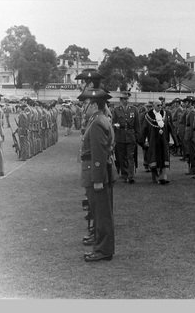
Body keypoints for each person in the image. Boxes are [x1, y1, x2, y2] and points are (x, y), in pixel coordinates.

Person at [79, 87, 117, 262]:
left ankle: (103, 250)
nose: (85, 108)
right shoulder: (100, 119)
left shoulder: (97, 123)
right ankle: (101, 245)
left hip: (97, 173)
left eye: (87, 104)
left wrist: (97, 179)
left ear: (94, 105)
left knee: (101, 213)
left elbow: (98, 153)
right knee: (98, 211)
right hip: (97, 172)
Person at [138, 99, 174, 184]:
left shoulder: (165, 114)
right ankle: (155, 177)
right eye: (158, 105)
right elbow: (144, 129)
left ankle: (163, 177)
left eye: (161, 105)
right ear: (154, 106)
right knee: (154, 159)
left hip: (163, 140)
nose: (160, 107)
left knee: (163, 157)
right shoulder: (148, 116)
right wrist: (144, 140)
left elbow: (169, 127)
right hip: (153, 140)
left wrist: (171, 139)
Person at [111, 92, 138, 184]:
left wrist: (137, 136)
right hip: (120, 135)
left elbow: (137, 124)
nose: (125, 101)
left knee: (130, 156)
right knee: (122, 157)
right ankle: (125, 174)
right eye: (123, 99)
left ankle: (131, 176)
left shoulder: (134, 109)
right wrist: (117, 125)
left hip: (130, 135)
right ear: (120, 100)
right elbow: (113, 123)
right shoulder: (116, 110)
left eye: (126, 99)